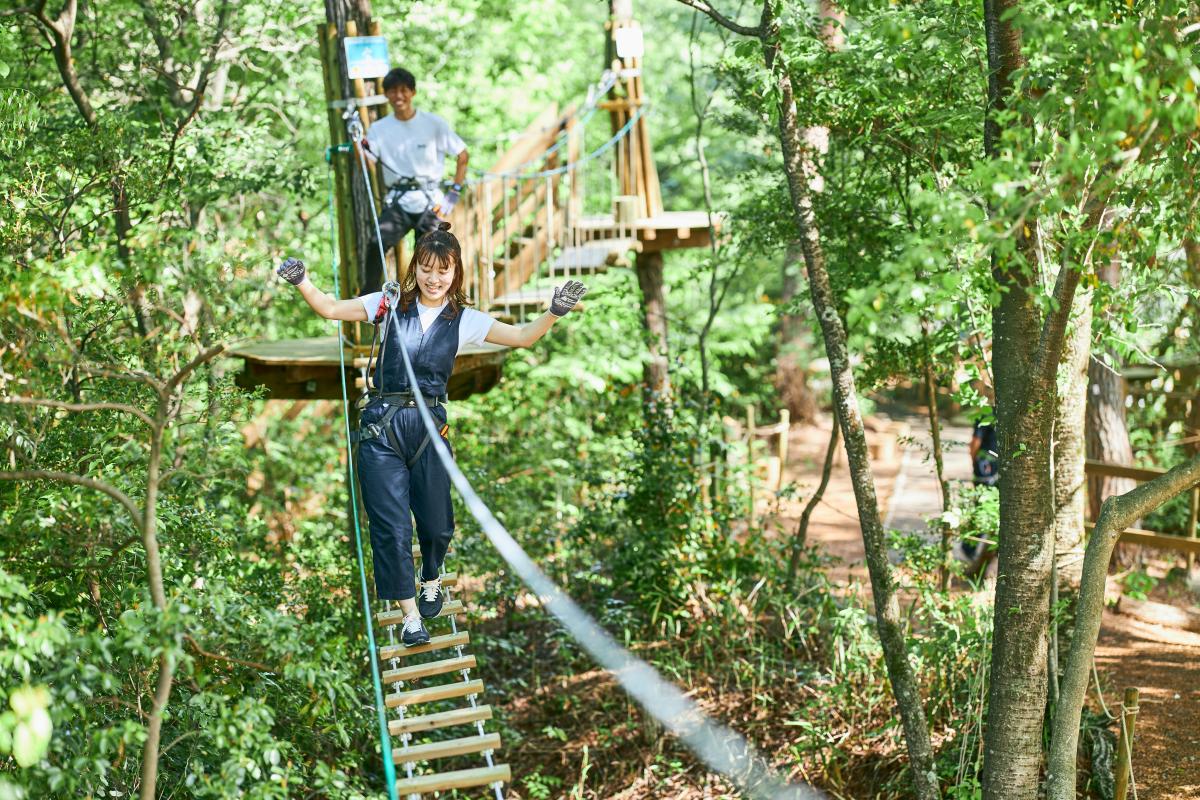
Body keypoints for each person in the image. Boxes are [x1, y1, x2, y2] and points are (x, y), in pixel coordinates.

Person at [276, 224, 587, 646]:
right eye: (426, 269)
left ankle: (431, 576)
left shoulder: (465, 321)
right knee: (391, 528)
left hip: (428, 429)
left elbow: (521, 338)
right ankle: (409, 618)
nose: (434, 278)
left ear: (455, 272)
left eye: (443, 270)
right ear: (415, 270)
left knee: (438, 526)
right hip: (382, 428)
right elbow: (330, 309)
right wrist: (302, 281)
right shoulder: (387, 304)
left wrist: (554, 311)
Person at [358, 67, 469, 293]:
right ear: (386, 95)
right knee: (375, 244)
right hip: (399, 201)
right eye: (392, 92)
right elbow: (369, 161)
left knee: (435, 255)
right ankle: (368, 297)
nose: (398, 96)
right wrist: (357, 145)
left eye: (403, 91)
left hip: (430, 200)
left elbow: (462, 155)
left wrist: (453, 194)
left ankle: (436, 299)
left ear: (413, 93)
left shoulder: (433, 124)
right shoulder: (379, 129)